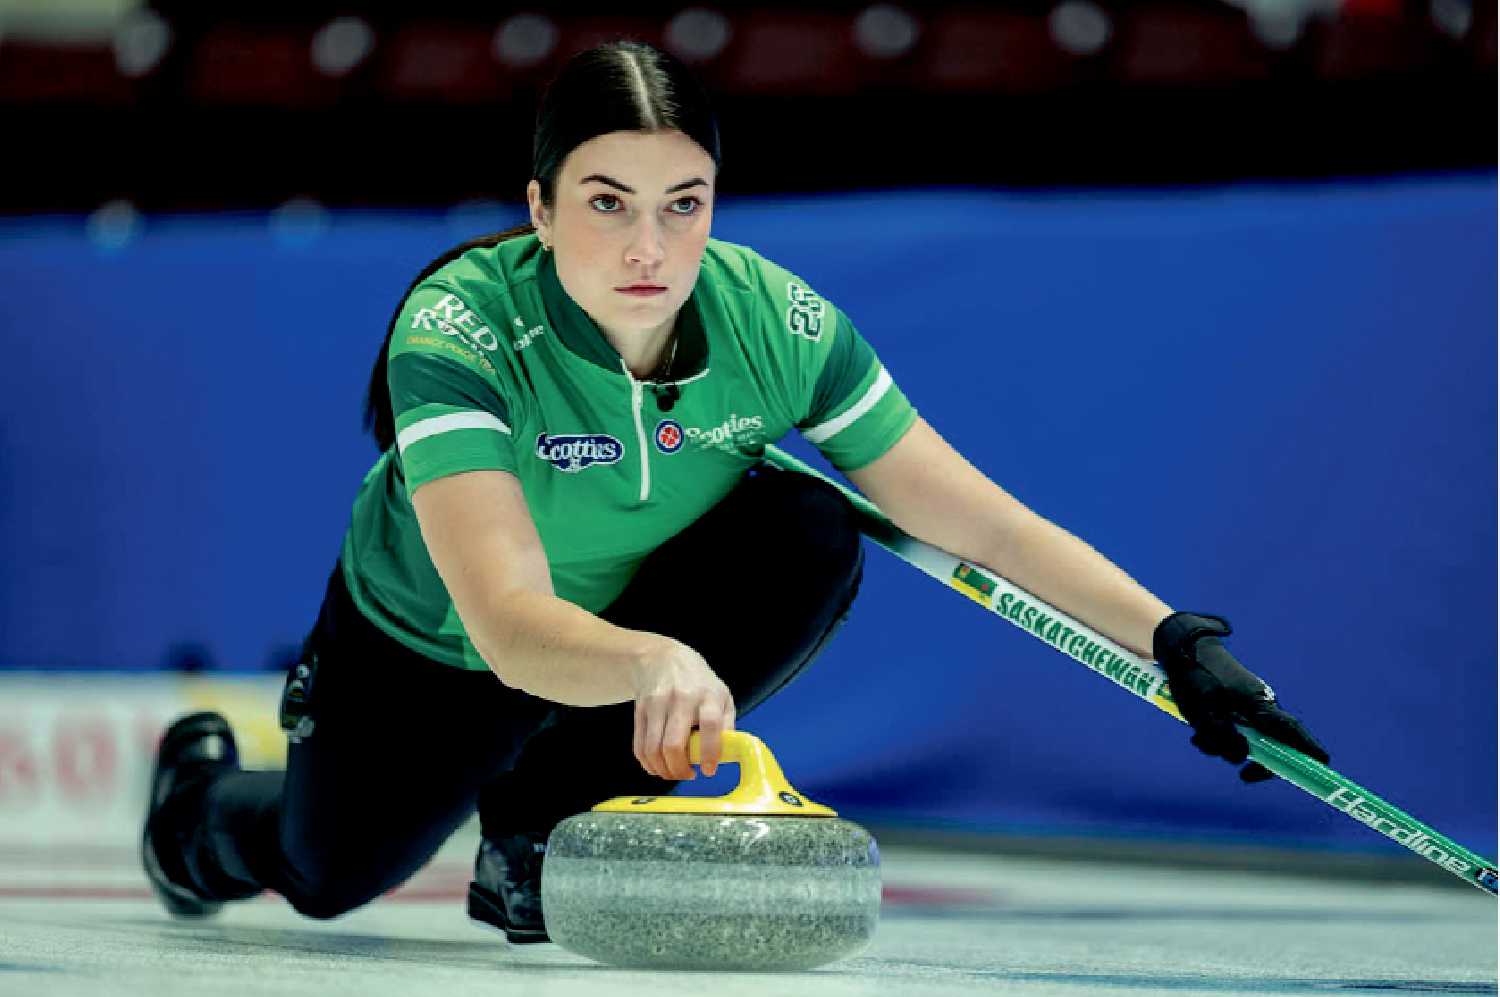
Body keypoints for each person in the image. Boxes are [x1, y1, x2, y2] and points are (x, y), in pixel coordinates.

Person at [141, 40, 1328, 943]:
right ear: (541, 207)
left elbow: (978, 517)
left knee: (810, 527)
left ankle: (537, 831)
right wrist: (652, 661)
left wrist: (1177, 638)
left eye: (684, 202)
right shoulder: (457, 331)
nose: (648, 247)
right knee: (327, 877)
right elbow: (505, 623)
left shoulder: (777, 322)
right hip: (431, 647)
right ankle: (197, 804)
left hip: (605, 646)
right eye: (606, 201)